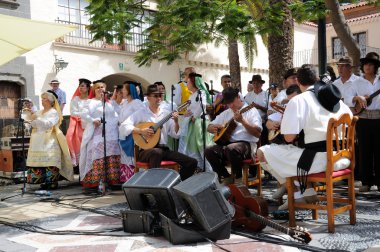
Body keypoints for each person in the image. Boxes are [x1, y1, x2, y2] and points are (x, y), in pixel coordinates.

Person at [257, 65, 352, 210]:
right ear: (316, 79)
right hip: (343, 158)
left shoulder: (299, 100)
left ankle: (296, 194)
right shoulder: (339, 102)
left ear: (297, 82)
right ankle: (305, 191)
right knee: (293, 153)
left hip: (320, 160)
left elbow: (289, 138)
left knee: (263, 152)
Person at [119, 84, 198, 181]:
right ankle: (155, 184)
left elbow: (175, 135)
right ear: (148, 97)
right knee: (156, 152)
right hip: (145, 151)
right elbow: (123, 126)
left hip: (163, 149)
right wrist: (141, 131)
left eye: (160, 95)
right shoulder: (141, 113)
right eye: (155, 96)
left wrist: (176, 122)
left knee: (192, 162)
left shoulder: (166, 114)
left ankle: (176, 184)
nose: (159, 98)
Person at [205, 87, 262, 185]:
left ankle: (238, 179)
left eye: (232, 102)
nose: (230, 105)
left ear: (238, 97)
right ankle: (226, 176)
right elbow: (209, 126)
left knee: (231, 148)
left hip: (247, 145)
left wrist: (242, 121)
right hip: (228, 146)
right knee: (209, 151)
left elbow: (257, 133)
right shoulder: (227, 113)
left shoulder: (252, 111)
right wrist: (213, 127)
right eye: (228, 103)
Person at [345, 52, 380, 192]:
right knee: (364, 150)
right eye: (365, 64)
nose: (367, 67)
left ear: (375, 67)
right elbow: (347, 98)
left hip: (379, 118)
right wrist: (357, 98)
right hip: (363, 119)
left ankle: (379, 181)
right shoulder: (356, 82)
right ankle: (366, 182)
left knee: (379, 151)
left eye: (370, 64)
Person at [26, 90, 74, 189]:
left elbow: (48, 124)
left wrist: (36, 119)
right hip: (38, 139)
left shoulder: (54, 112)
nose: (42, 101)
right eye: (42, 99)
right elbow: (33, 124)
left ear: (50, 101)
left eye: (44, 99)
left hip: (49, 139)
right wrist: (31, 118)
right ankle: (43, 180)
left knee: (49, 160)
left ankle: (52, 182)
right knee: (40, 161)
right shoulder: (39, 112)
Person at [79, 80, 121, 190]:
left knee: (111, 156)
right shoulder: (90, 102)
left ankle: (112, 180)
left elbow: (115, 115)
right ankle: (96, 181)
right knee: (97, 156)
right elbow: (83, 114)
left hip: (111, 135)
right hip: (97, 134)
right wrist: (93, 120)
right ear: (94, 90)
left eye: (102, 87)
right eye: (98, 87)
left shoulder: (109, 103)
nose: (100, 89)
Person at [178, 73, 214, 171]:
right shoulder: (191, 96)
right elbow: (190, 109)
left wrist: (195, 116)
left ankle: (210, 172)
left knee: (203, 149)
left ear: (194, 82)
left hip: (199, 124)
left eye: (188, 81)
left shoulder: (201, 92)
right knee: (193, 150)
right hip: (192, 125)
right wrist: (187, 114)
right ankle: (199, 170)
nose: (187, 84)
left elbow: (202, 105)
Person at [118, 82, 143, 182]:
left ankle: (135, 180)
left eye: (124, 89)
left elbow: (141, 117)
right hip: (123, 133)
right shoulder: (125, 103)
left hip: (132, 133)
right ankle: (127, 179)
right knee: (124, 157)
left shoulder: (137, 102)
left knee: (132, 157)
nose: (122, 91)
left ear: (129, 90)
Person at [66, 78, 91, 167]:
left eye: (83, 86)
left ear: (88, 88)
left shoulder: (91, 100)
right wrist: (84, 115)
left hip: (90, 124)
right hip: (79, 125)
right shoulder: (76, 99)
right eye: (80, 86)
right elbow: (73, 112)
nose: (80, 88)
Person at [244, 74, 268, 145]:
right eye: (254, 83)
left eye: (258, 83)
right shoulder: (248, 95)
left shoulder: (266, 94)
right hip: (251, 124)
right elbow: (244, 109)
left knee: (264, 143)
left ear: (261, 84)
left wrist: (259, 106)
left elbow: (269, 110)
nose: (255, 84)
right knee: (253, 143)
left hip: (263, 123)